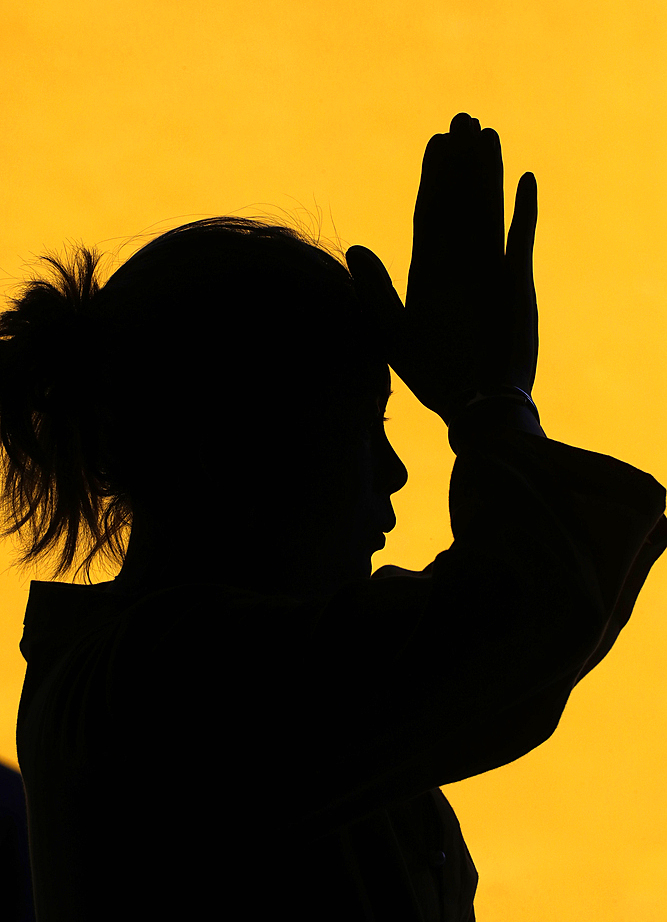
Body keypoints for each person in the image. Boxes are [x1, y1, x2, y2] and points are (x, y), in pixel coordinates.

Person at [5, 113, 666, 921]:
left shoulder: (169, 679)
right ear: (230, 446)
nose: (390, 474)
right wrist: (487, 401)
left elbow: (513, 642)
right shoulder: (161, 685)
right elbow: (517, 621)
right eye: (359, 427)